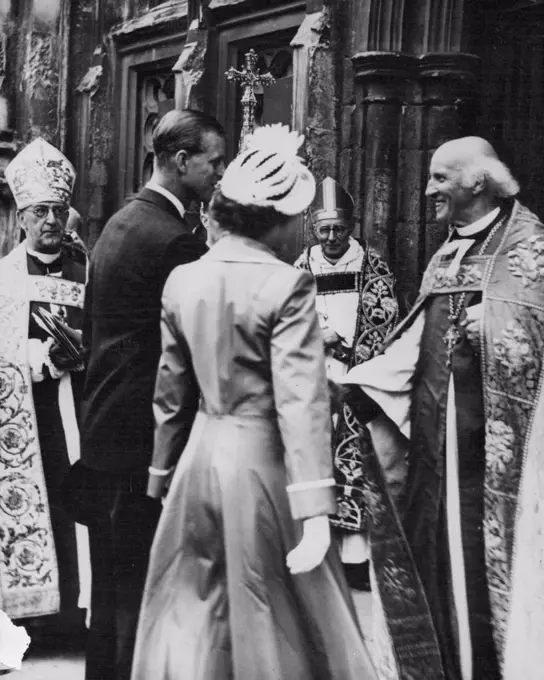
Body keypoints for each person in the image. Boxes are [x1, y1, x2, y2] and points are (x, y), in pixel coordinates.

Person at [130, 124, 377, 680]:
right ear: (278, 220)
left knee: (199, 611)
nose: (300, 230)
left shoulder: (183, 280)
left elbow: (170, 395)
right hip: (264, 466)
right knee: (273, 614)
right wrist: (317, 510)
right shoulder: (286, 285)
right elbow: (299, 401)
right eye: (296, 217)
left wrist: (159, 474)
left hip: (198, 460)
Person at [340, 137, 544, 679]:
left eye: (439, 178)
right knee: (439, 553)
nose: (428, 189)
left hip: (495, 459)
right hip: (437, 449)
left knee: (480, 561)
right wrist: (359, 382)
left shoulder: (529, 250)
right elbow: (415, 340)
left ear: (477, 182)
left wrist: (498, 328)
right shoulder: (447, 252)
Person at [75, 109, 225, 680]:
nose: (218, 173)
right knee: (145, 587)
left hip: (105, 426)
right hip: (145, 436)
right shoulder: (174, 243)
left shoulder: (118, 223)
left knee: (113, 585)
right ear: (182, 161)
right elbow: (185, 355)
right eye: (213, 161)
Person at [0, 138, 90, 631]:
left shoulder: (89, 273)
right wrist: (39, 358)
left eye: (58, 210)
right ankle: (37, 621)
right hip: (31, 419)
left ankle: (80, 615)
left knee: (83, 508)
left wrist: (84, 352)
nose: (51, 221)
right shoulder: (5, 279)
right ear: (22, 218)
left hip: (83, 410)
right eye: (40, 212)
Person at [294, 177, 398, 588]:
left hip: (358, 375)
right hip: (314, 377)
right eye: (325, 229)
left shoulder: (373, 265)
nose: (332, 236)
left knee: (356, 462)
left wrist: (348, 349)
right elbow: (286, 321)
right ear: (313, 229)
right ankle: (321, 555)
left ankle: (356, 560)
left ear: (351, 226)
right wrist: (319, 339)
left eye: (339, 228)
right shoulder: (302, 268)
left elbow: (385, 317)